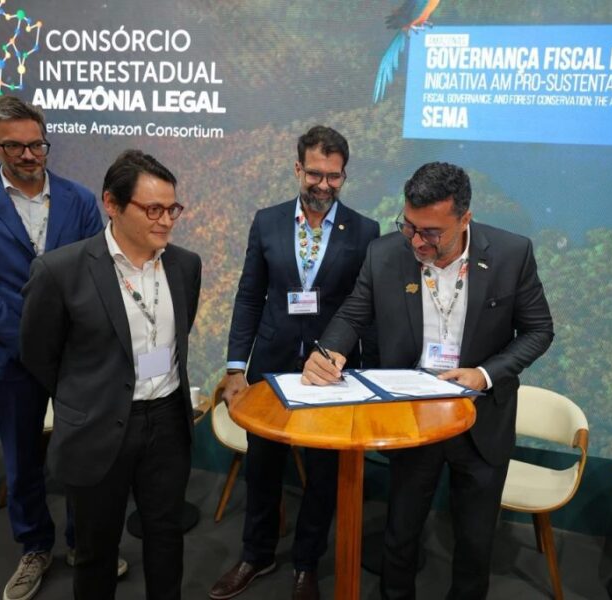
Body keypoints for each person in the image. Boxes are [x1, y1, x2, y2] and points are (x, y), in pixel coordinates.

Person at [302, 161, 554, 599]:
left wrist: (485, 374)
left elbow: (538, 331)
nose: (417, 241)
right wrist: (328, 351)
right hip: (412, 418)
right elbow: (353, 313)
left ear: (465, 218)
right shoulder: (385, 254)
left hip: (481, 420)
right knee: (400, 535)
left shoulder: (511, 254)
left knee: (475, 542)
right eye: (409, 226)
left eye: (432, 233)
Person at [0, 94, 124, 600]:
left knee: (83, 457)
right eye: (15, 146)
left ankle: (83, 543)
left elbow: (96, 273)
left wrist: (68, 339)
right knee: (22, 462)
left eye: (37, 144)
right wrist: (28, 340)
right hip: (7, 357)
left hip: (74, 357)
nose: (29, 155)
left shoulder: (78, 199)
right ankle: (35, 547)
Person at [19, 150, 201, 600]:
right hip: (98, 425)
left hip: (167, 421)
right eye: (153, 209)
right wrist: (87, 396)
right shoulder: (60, 271)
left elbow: (179, 336)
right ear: (112, 204)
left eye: (172, 209)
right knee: (96, 550)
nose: (166, 221)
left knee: (166, 536)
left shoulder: (185, 265)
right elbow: (39, 355)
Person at [209, 126, 379, 600]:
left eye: (334, 176)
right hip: (271, 365)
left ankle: (306, 564)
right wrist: (235, 368)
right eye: (315, 174)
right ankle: (256, 555)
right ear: (298, 169)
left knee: (323, 476)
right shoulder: (267, 222)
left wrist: (366, 373)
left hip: (331, 374)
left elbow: (364, 307)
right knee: (263, 467)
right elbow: (249, 296)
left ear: (344, 176)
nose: (324, 185)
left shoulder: (364, 231)